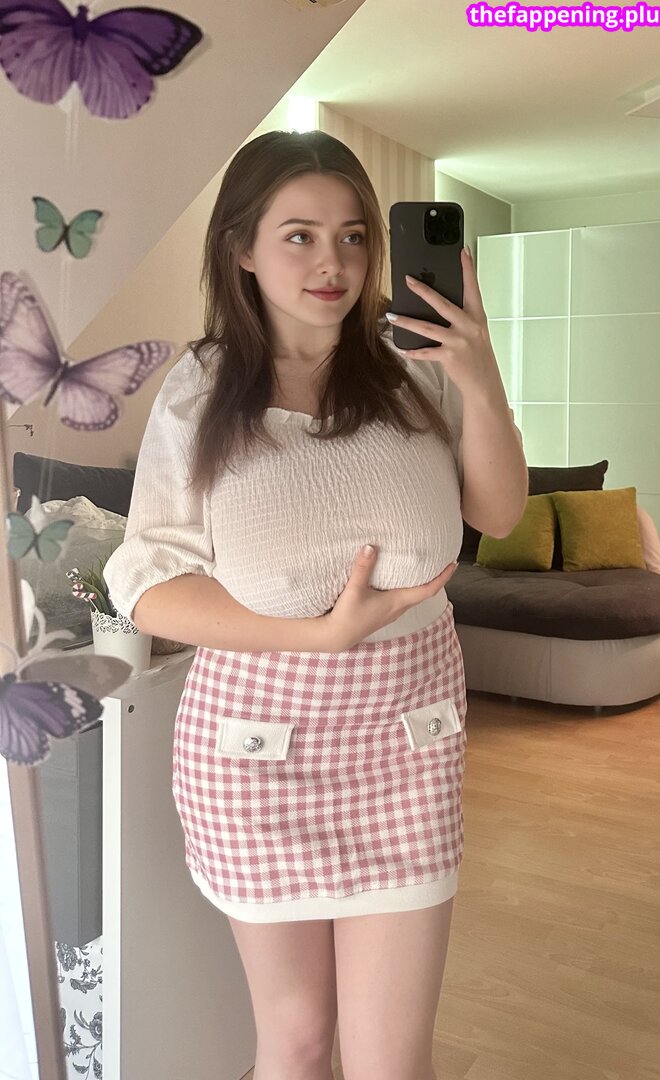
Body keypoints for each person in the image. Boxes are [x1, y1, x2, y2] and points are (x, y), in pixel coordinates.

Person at [104, 129, 527, 1080]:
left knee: (389, 1060)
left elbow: (497, 514)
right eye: (298, 236)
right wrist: (311, 636)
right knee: (294, 1046)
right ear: (241, 249)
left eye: (352, 236)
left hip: (405, 747)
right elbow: (147, 581)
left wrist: (480, 376)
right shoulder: (201, 388)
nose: (332, 263)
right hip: (258, 752)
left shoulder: (418, 372)